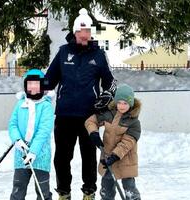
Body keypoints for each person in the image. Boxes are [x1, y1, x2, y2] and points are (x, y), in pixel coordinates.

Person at [45, 8, 117, 200]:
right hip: (65, 115)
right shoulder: (63, 52)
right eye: (81, 32)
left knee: (88, 156)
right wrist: (34, 87)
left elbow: (110, 82)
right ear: (75, 32)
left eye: (88, 32)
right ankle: (64, 192)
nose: (85, 36)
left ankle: (89, 192)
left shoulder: (99, 55)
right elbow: (49, 80)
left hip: (89, 116)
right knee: (62, 157)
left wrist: (107, 96)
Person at [85, 84, 142, 200]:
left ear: (130, 104)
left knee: (129, 190)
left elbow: (127, 143)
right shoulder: (109, 114)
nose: (121, 106)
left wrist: (115, 156)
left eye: (125, 103)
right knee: (106, 189)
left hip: (126, 160)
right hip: (107, 158)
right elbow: (90, 121)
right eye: (119, 102)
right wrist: (94, 133)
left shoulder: (134, 122)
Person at [8, 69, 54, 200]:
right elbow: (12, 124)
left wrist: (33, 152)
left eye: (36, 83)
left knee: (42, 191)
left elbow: (44, 131)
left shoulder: (46, 106)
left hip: (40, 155)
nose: (33, 87)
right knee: (18, 189)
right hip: (21, 155)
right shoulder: (20, 104)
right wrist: (17, 140)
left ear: (42, 85)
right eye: (30, 84)